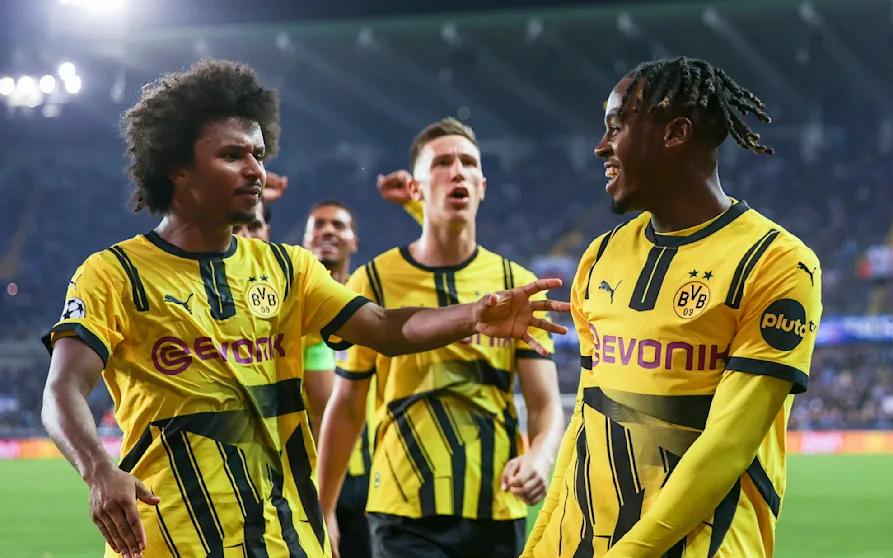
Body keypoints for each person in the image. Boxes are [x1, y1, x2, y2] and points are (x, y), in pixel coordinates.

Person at [40, 60, 567, 558]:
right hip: (169, 539)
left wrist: (472, 315)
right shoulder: (114, 274)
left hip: (287, 537)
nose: (255, 170)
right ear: (177, 167)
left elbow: (384, 327)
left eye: (259, 155)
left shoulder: (288, 268)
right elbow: (62, 388)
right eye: (233, 156)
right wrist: (97, 469)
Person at [522, 57, 823, 558]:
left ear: (675, 133)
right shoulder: (599, 257)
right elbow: (585, 422)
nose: (601, 146)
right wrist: (539, 545)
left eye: (616, 126)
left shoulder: (776, 263)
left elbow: (727, 445)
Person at [317, 118, 565, 558]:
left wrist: (540, 457)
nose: (457, 172)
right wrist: (325, 506)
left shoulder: (517, 284)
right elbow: (348, 405)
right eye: (442, 163)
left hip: (496, 506)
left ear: (482, 186)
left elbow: (544, 403)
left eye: (468, 163)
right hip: (402, 510)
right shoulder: (373, 280)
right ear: (415, 188)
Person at [299, 200, 376, 558]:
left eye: (338, 225)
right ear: (305, 241)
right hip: (305, 474)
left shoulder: (372, 308)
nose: (328, 231)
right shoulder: (289, 307)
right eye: (318, 224)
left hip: (370, 474)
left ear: (354, 241)